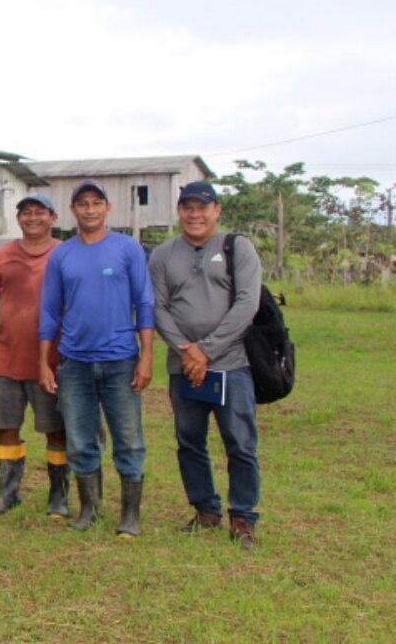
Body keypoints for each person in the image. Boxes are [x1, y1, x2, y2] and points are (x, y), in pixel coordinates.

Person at [149, 181, 263, 550]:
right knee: (189, 441)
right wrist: (187, 352)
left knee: (240, 444)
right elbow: (158, 306)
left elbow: (247, 303)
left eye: (202, 206)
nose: (194, 214)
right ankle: (206, 510)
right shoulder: (163, 254)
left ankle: (243, 516)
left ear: (217, 210)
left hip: (231, 365)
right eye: (187, 207)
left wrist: (207, 351)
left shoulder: (237, 247)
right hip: (184, 367)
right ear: (179, 211)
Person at [39, 179, 154, 537]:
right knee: (80, 438)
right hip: (74, 363)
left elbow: (145, 303)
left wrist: (146, 354)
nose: (90, 209)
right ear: (72, 210)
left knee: (129, 438)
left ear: (108, 208)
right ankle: (89, 508)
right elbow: (50, 311)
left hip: (121, 360)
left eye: (96, 203)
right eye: (82, 203)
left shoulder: (128, 249)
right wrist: (45, 361)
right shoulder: (62, 254)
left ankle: (130, 516)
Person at [0, 193, 69, 517]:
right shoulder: (2, 255)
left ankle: (59, 495)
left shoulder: (64, 253)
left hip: (51, 361)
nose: (32, 218)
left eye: (39, 212)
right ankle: (8, 492)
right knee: (7, 425)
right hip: (6, 357)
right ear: (18, 219)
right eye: (26, 213)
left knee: (56, 429)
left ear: (53, 218)